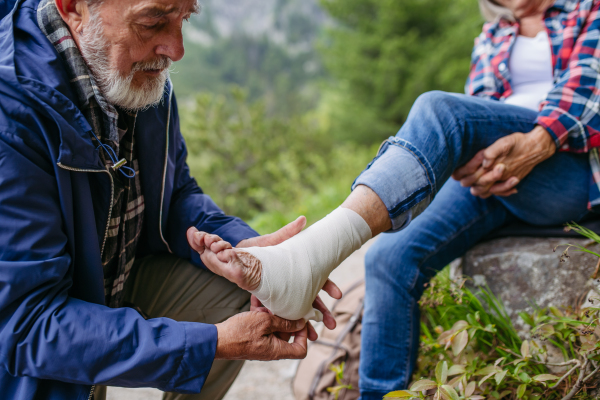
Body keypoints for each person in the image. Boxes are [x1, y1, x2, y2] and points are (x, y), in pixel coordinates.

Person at [195, 0, 600, 398]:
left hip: (570, 166)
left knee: (440, 110)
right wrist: (474, 160)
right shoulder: (494, 34)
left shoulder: (587, 10)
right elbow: (481, 106)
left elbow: (589, 88)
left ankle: (309, 255)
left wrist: (537, 142)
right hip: (499, 174)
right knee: (388, 260)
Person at [0, 0, 343, 399]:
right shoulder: (13, 114)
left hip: (113, 281)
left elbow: (175, 192)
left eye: (184, 18)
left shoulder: (135, 73)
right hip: (31, 352)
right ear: (73, 7)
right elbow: (26, 324)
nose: (176, 49)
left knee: (245, 292)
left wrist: (242, 247)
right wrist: (207, 346)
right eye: (152, 21)